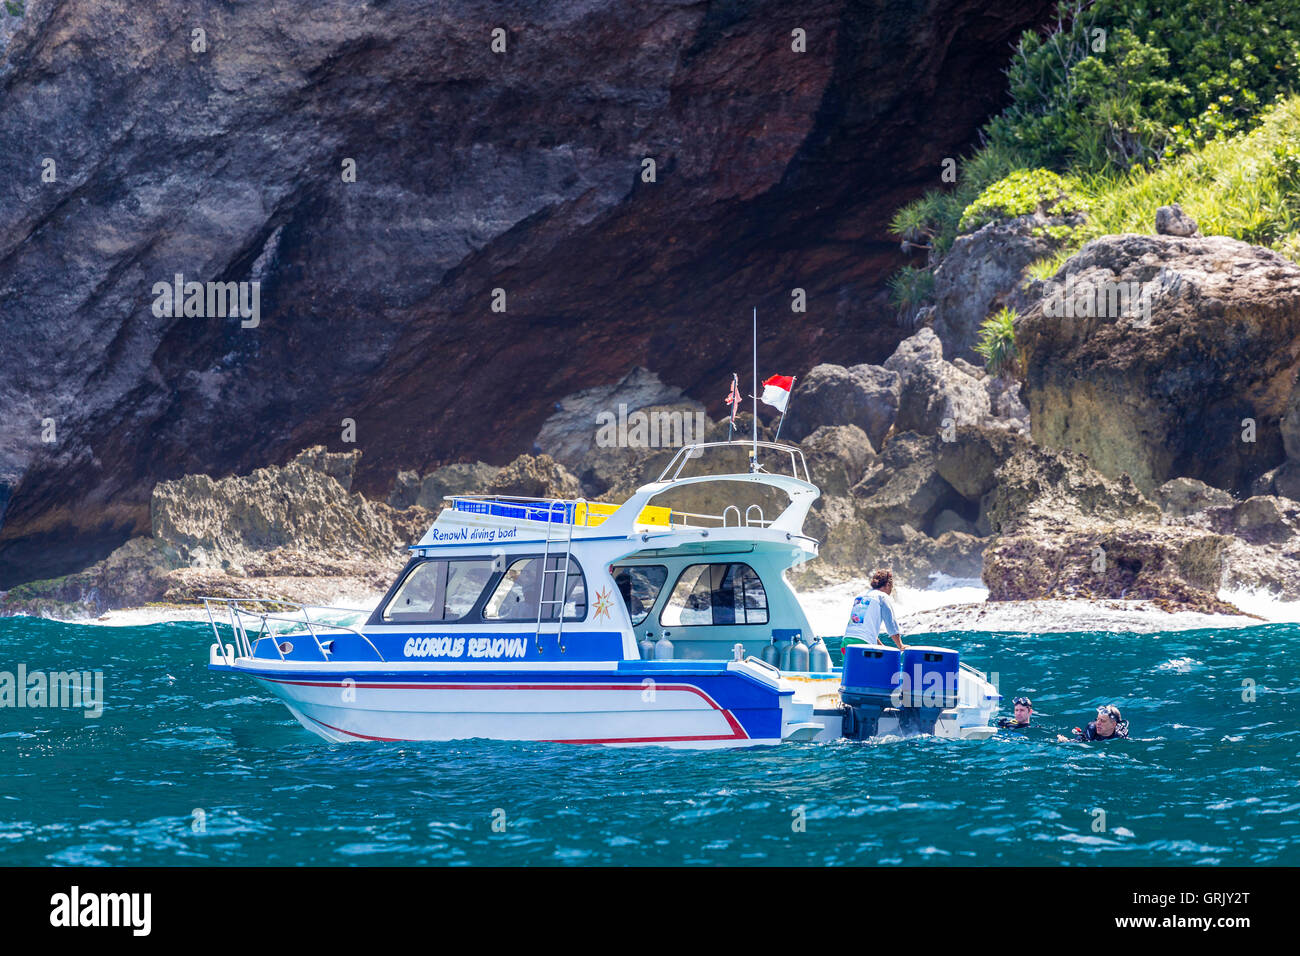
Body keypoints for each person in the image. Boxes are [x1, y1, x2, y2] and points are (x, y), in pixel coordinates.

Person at [843, 568, 905, 651]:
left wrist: (881, 646)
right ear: (887, 584)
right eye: (891, 587)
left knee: (850, 664)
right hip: (863, 645)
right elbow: (891, 624)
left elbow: (864, 630)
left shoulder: (861, 596)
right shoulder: (882, 597)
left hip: (846, 642)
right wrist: (900, 645)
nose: (891, 591)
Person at [1061, 704, 1129, 742]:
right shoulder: (1091, 728)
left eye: (1103, 721)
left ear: (1113, 724)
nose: (1098, 723)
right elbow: (1079, 742)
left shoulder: (1119, 736)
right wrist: (1066, 741)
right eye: (1097, 719)